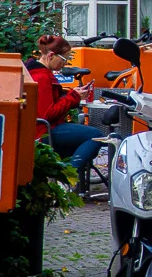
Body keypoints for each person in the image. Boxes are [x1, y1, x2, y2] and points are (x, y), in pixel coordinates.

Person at [27, 34, 99, 188]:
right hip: (43, 131)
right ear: (51, 55)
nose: (64, 64)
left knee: (84, 138)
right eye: (64, 59)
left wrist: (71, 95)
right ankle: (66, 178)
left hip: (38, 130)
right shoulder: (42, 77)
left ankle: (64, 176)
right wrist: (73, 96)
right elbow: (47, 113)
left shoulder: (33, 72)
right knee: (95, 136)